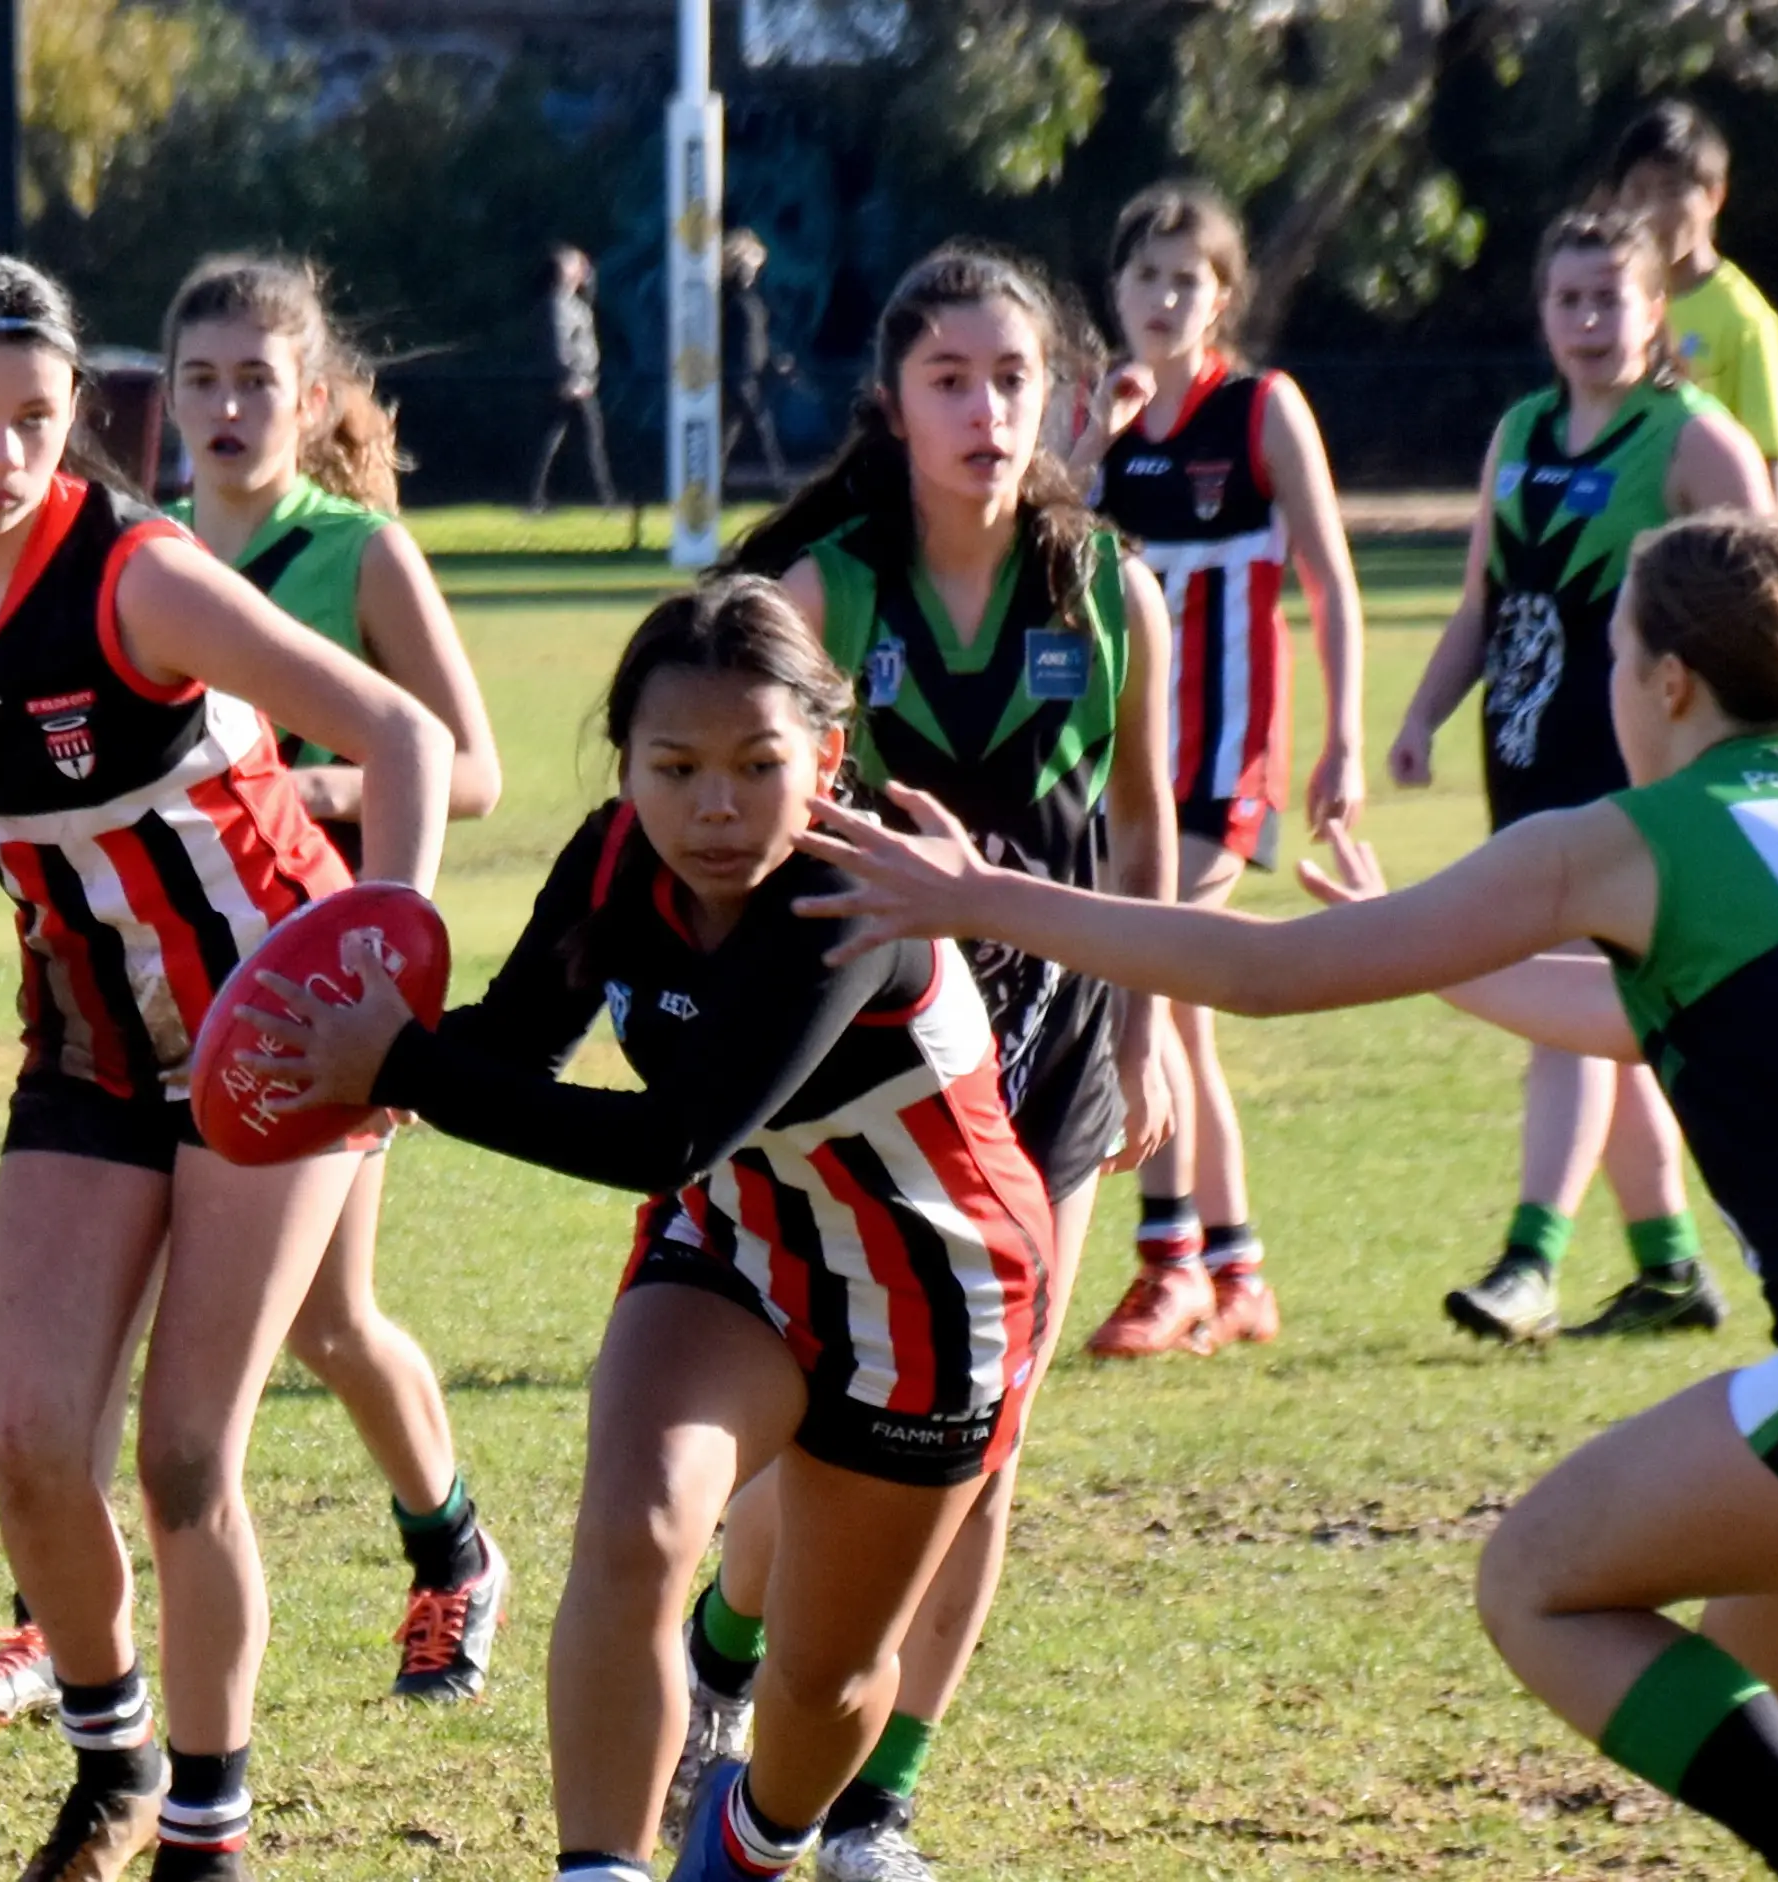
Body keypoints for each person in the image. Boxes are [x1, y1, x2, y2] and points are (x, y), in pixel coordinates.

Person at [793, 509, 1778, 1882]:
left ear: (1667, 681)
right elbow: (1649, 1013)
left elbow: (1265, 971)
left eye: (1615, 653)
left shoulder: (1631, 834)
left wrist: (988, 896)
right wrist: (1433, 949)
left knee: (1537, 1582)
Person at [230, 576, 1057, 1882]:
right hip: (730, 1250)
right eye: (673, 767)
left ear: (826, 759)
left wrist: (399, 1062)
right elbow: (514, 1046)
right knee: (637, 1526)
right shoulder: (618, 856)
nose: (713, 806)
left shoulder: (846, 906)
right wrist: (350, 1050)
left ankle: (755, 1835)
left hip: (925, 1296)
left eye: (757, 764)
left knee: (826, 1679)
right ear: (624, 765)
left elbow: (668, 1134)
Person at [674, 244, 1178, 1881]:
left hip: (1061, 1053)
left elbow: (1146, 834)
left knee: (992, 1429)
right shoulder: (821, 594)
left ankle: (876, 1800)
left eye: (1010, 378)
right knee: (835, 1426)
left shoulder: (1109, 590)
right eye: (948, 378)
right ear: (890, 405)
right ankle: (732, 1643)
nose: (982, 408)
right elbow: (722, 815)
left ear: (1058, 400)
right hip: (876, 1069)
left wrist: (1150, 1024)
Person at [0, 253, 513, 1730]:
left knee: (313, 1343)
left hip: (299, 1002)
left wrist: (387, 966)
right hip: (103, 1029)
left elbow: (447, 758)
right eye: (196, 378)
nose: (220, 404)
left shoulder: (302, 557)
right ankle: (70, 1632)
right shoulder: (115, 543)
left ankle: (448, 1542)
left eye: (252, 379)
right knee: (79, 1393)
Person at [1390, 206, 1771, 1344]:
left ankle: (1528, 1260)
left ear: (1656, 311)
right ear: (1541, 312)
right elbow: (1479, 603)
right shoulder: (1519, 429)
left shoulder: (1689, 437)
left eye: (1612, 297)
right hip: (1520, 757)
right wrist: (1418, 714)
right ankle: (1666, 1269)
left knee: (1567, 1008)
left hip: (1633, 770)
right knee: (1605, 1014)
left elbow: (1777, 602)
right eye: (1568, 299)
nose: (1589, 320)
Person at [1066, 180, 1366, 1356]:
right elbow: (1036, 531)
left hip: (1223, 760)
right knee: (1175, 1009)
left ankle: (1171, 1265)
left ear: (1222, 297)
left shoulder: (1260, 411)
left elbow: (1331, 581)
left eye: (1185, 278)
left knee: (1159, 977)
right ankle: (1232, 1270)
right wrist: (1092, 436)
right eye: (1142, 275)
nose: (1160, 296)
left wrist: (1341, 738)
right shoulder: (1100, 413)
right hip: (1120, 762)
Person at [1611, 100, 1778, 515]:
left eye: (1671, 190)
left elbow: (1775, 458)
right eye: (1637, 191)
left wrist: (1759, 559)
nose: (1650, 211)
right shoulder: (1611, 304)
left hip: (1699, 556)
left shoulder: (1745, 319)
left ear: (1715, 196)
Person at [529, 244, 618, 512]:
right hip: (571, 384)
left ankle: (537, 497)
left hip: (582, 382)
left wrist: (589, 280)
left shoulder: (574, 303)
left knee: (558, 441)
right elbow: (559, 346)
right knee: (575, 441)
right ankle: (604, 498)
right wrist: (570, 378)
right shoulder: (557, 305)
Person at [721, 230, 791, 491]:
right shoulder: (727, 297)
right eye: (749, 266)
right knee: (762, 428)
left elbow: (758, 335)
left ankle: (712, 482)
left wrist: (774, 360)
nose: (753, 272)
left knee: (731, 431)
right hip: (736, 374)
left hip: (750, 372)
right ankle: (780, 484)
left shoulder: (751, 297)